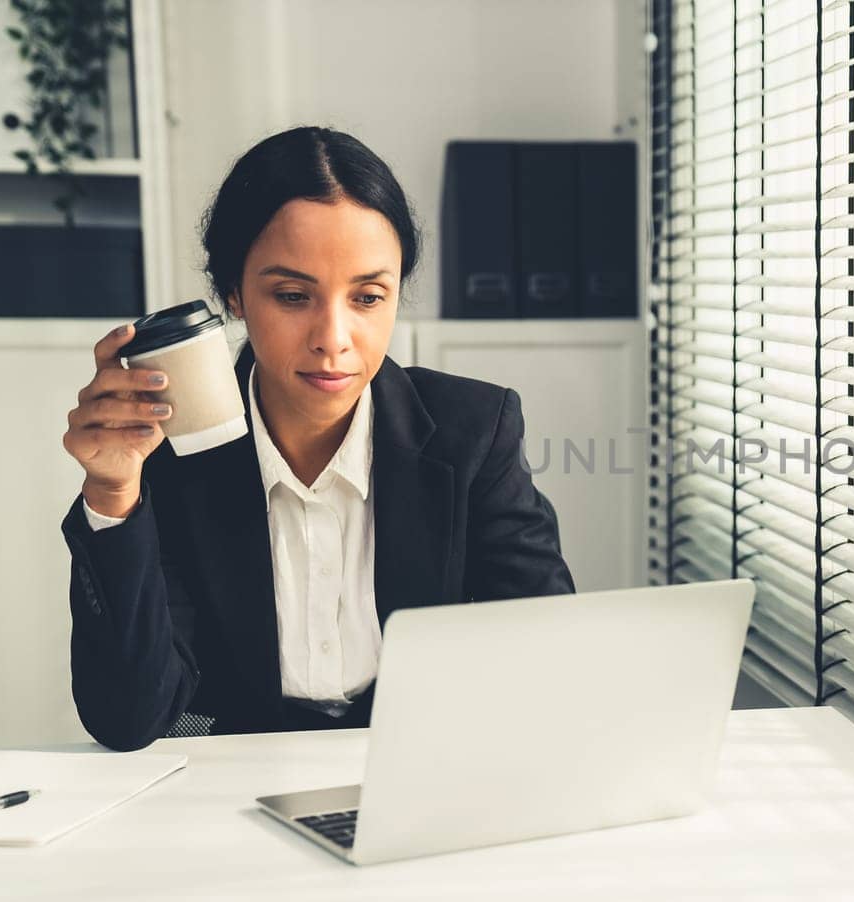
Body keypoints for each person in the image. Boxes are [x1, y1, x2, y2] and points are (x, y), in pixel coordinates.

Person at [59, 126, 575, 752]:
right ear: (234, 296)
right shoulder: (164, 453)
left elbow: (543, 661)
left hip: (418, 764)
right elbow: (128, 719)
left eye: (367, 297)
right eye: (294, 295)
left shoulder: (474, 430)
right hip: (230, 784)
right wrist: (114, 494)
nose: (334, 337)